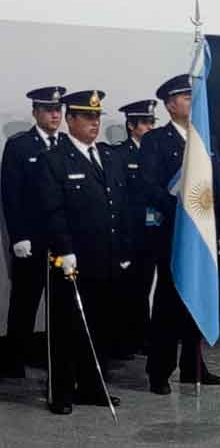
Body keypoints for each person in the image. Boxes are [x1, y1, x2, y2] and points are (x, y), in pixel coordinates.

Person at [36, 90, 129, 414]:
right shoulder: (55, 159)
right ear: (70, 119)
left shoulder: (108, 156)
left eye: (97, 117)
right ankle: (61, 392)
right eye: (87, 117)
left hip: (105, 257)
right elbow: (52, 210)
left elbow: (119, 206)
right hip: (71, 260)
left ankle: (93, 386)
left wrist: (123, 248)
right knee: (67, 327)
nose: (94, 122)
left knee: (101, 325)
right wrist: (64, 250)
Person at [141, 74, 220, 395]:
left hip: (202, 235)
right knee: (168, 305)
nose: (192, 103)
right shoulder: (156, 141)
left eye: (194, 97)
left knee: (197, 298)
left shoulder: (205, 138)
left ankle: (194, 367)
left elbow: (217, 186)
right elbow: (148, 187)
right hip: (172, 235)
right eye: (186, 98)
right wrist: (182, 209)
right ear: (169, 105)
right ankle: (159, 371)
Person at [1, 86, 68, 378]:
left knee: (60, 303)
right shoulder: (20, 146)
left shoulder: (66, 143)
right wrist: (18, 236)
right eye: (48, 109)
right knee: (25, 301)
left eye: (58, 109)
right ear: (35, 112)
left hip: (61, 241)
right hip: (32, 240)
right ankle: (13, 360)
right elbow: (11, 195)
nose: (55, 114)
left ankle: (53, 356)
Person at [111, 99, 157, 359]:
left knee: (144, 286)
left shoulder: (156, 153)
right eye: (146, 122)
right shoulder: (120, 154)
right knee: (125, 289)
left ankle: (142, 336)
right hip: (129, 231)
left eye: (153, 122)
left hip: (151, 230)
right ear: (131, 126)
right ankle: (123, 340)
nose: (151, 127)